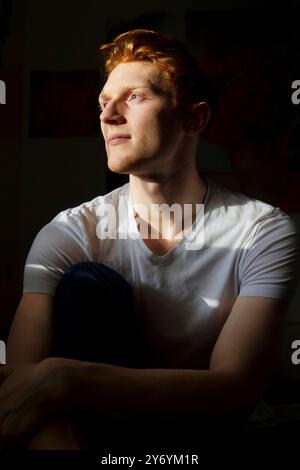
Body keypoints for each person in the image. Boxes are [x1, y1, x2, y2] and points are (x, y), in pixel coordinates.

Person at [0, 29, 298, 451]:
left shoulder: (262, 231)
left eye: (135, 97)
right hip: (100, 442)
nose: (108, 115)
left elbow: (232, 393)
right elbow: (17, 399)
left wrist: (64, 378)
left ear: (195, 119)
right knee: (84, 284)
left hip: (212, 442)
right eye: (104, 103)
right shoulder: (69, 233)